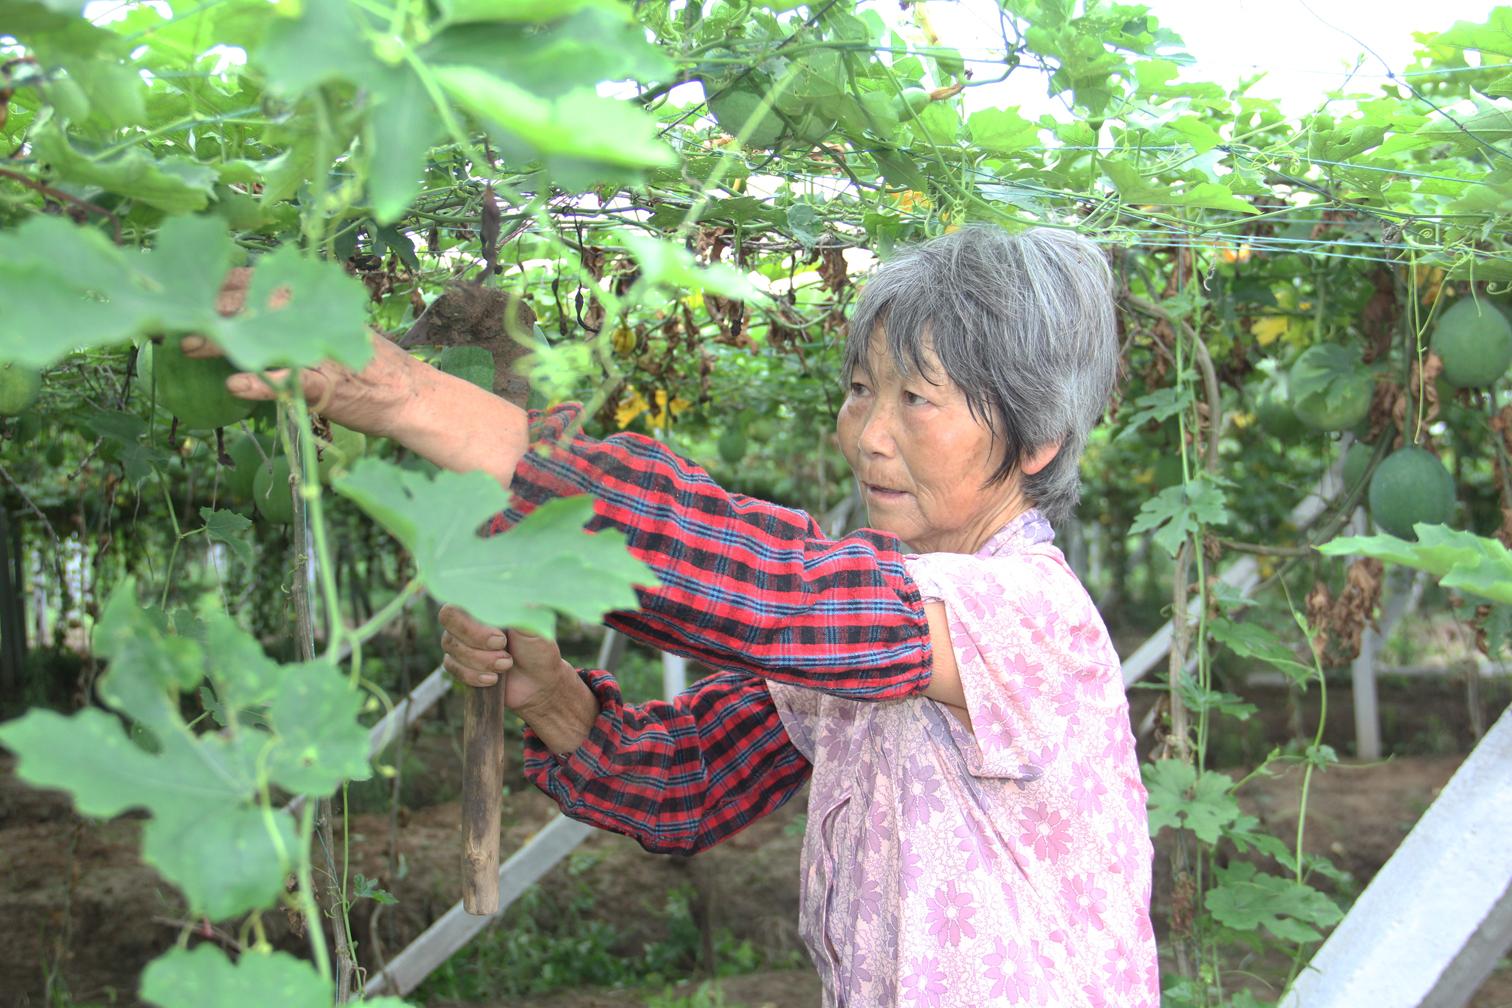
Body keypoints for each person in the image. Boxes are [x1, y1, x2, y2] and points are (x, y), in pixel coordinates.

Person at [196, 225, 1158, 1006]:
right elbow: (693, 779)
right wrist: (555, 696)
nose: (866, 434)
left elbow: (772, 588)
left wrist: (416, 398)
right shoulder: (886, 627)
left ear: (1037, 441)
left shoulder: (1030, 619)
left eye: (918, 399)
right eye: (862, 388)